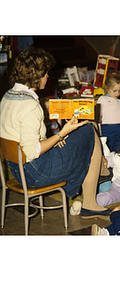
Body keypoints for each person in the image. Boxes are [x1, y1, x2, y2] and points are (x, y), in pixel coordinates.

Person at [0, 47, 111, 219]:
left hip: (17, 170)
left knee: (84, 131)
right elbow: (32, 151)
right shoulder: (30, 106)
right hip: (37, 173)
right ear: (36, 75)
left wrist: (54, 139)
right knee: (88, 128)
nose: (47, 77)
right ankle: (94, 194)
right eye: (45, 73)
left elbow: (23, 137)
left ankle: (101, 174)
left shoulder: (8, 95)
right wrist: (61, 134)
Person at [97, 73, 120, 152]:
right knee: (108, 147)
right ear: (107, 87)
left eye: (119, 91)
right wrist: (99, 130)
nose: (117, 93)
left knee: (119, 146)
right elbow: (98, 116)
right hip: (107, 127)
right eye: (114, 91)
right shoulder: (103, 99)